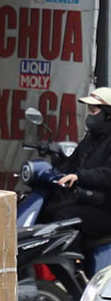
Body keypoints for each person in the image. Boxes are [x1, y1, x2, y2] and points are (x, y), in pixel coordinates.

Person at [42, 87, 111, 243]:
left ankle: (68, 259)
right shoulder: (91, 138)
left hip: (106, 208)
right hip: (88, 201)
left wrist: (80, 177)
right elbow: (70, 164)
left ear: (108, 114)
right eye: (89, 110)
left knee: (65, 218)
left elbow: (107, 174)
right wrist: (54, 170)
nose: (89, 115)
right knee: (48, 210)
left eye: (93, 111)